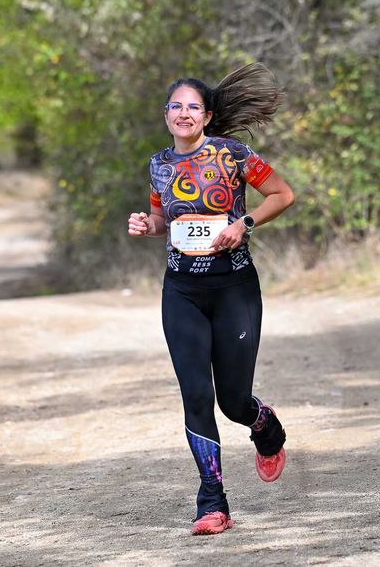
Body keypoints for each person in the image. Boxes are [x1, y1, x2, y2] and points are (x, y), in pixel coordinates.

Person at [127, 63, 295, 536]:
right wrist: (147, 226)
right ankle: (212, 502)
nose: (184, 113)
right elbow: (165, 218)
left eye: (193, 107)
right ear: (166, 116)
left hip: (234, 289)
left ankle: (265, 428)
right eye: (176, 106)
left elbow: (282, 194)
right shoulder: (159, 164)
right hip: (181, 292)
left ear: (206, 116)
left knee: (233, 400)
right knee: (196, 396)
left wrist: (246, 223)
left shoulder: (234, 154)